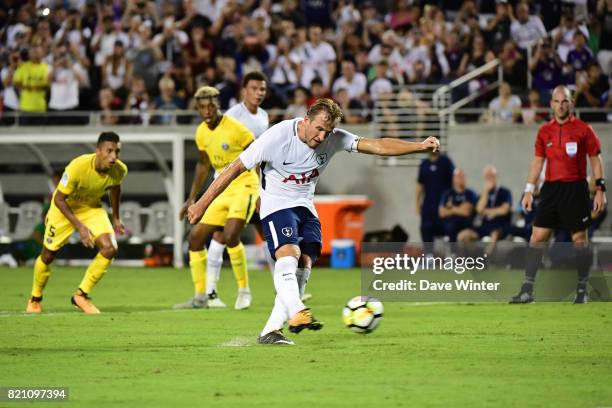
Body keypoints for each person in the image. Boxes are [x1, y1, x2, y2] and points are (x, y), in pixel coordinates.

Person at [186, 98, 440, 345]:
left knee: (305, 262)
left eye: (327, 131)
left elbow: (378, 145)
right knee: (289, 254)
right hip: (276, 205)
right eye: (319, 128)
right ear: (306, 120)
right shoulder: (277, 137)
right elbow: (233, 169)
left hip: (306, 207)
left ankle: (271, 330)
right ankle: (298, 309)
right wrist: (201, 203)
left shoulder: (335, 138)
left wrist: (419, 146)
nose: (322, 137)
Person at [510, 86, 606, 304]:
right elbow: (537, 162)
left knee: (579, 238)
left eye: (565, 101)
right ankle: (527, 290)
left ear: (571, 103)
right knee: (537, 237)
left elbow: (595, 158)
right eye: (556, 101)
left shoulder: (584, 129)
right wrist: (528, 190)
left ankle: (582, 290)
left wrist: (600, 189)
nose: (561, 105)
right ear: (551, 104)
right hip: (551, 190)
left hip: (576, 189)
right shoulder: (544, 131)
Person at [174, 86, 259, 310]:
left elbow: (257, 157)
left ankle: (244, 291)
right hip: (220, 187)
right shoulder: (201, 132)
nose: (207, 110)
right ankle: (201, 297)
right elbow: (203, 164)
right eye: (202, 107)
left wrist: (260, 191)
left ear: (217, 104)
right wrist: (191, 198)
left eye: (211, 105)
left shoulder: (237, 129)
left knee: (231, 235)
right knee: (195, 238)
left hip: (244, 184)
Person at [25, 132, 127, 314]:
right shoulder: (78, 166)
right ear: (98, 151)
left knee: (110, 248)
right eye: (109, 151)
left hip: (91, 208)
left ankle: (81, 295)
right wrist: (80, 227)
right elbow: (59, 199)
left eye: (117, 152)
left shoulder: (119, 170)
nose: (114, 157)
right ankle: (35, 298)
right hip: (63, 209)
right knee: (48, 256)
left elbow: (115, 189)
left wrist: (116, 217)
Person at [204, 72, 270, 308]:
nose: (259, 93)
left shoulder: (263, 116)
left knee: (267, 233)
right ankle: (214, 291)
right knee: (224, 234)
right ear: (244, 90)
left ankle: (287, 287)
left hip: (253, 183)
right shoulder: (233, 116)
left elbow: (262, 156)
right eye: (254, 88)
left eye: (262, 89)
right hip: (232, 183)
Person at [458, 165, 512, 252]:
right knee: (463, 235)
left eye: (491, 176)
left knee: (494, 234)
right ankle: (467, 259)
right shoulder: (483, 194)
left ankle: (486, 258)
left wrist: (486, 211)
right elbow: (479, 209)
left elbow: (504, 210)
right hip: (485, 225)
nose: (489, 178)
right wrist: (486, 192)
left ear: (496, 177)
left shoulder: (504, 192)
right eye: (487, 176)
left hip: (500, 225)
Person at [416, 151, 454, 257]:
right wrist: (417, 202)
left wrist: (451, 201)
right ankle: (429, 257)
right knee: (425, 228)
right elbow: (420, 184)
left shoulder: (446, 162)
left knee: (448, 228)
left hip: (443, 204)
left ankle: (450, 256)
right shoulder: (424, 164)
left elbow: (453, 183)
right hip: (428, 204)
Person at [438, 168, 477, 255]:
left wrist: (451, 208)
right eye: (458, 176)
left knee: (465, 234)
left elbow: (467, 212)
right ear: (453, 178)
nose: (460, 179)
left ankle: (469, 260)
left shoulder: (470, 194)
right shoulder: (447, 194)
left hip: (466, 224)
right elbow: (442, 212)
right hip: (450, 224)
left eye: (462, 176)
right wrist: (460, 208)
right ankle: (453, 255)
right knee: (449, 226)